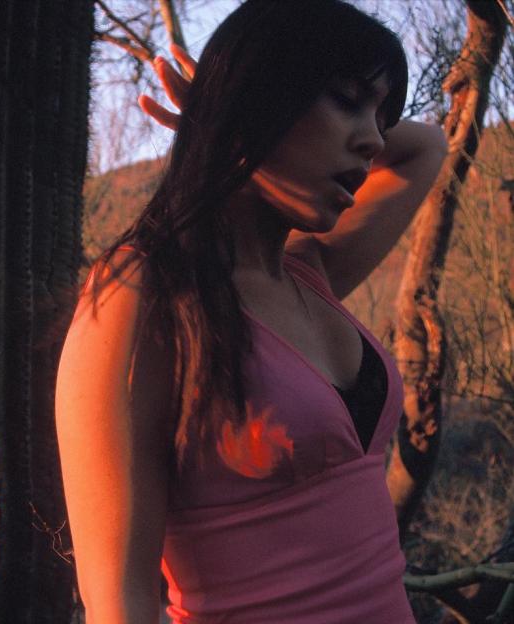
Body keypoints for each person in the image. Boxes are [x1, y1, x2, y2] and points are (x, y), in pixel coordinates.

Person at [54, 1, 448, 622]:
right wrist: (234, 111)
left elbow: (427, 147)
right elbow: (119, 600)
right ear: (261, 95)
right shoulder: (145, 295)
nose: (374, 137)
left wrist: (230, 116)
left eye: (381, 114)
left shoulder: (307, 275)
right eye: (347, 99)